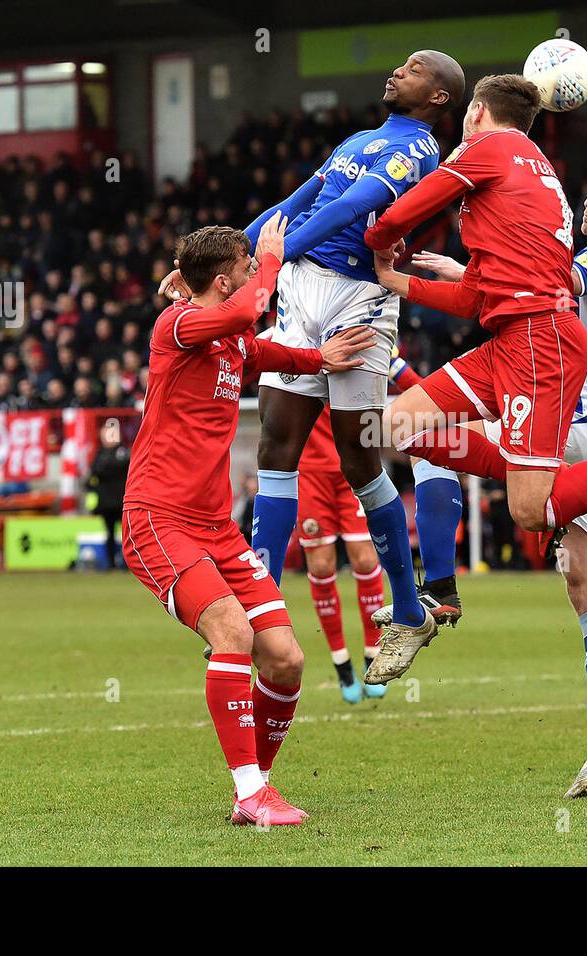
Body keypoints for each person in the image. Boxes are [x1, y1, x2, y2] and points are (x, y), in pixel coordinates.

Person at [365, 83, 587, 686]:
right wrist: (459, 278)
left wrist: (472, 266)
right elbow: (528, 278)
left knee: (540, 525)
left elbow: (548, 274)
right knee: (584, 581)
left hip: (573, 412)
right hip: (556, 391)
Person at [158, 52, 466, 669]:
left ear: (438, 98)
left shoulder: (421, 153)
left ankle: (409, 610)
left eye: (412, 70)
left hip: (358, 299)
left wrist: (261, 271)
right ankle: (258, 602)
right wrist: (221, 266)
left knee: (359, 459)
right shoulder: (358, 139)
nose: (396, 73)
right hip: (300, 291)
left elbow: (345, 212)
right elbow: (297, 201)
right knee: (276, 447)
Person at [121, 215, 373, 826]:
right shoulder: (177, 323)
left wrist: (324, 356)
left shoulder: (234, 342)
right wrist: (268, 259)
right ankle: (249, 791)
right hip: (158, 517)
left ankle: (256, 785)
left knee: (285, 659)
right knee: (232, 633)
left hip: (216, 527)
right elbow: (240, 316)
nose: (257, 275)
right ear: (225, 276)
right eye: (245, 267)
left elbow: (270, 350)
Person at [295, 408, 389, 703]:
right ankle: (342, 663)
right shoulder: (301, 362)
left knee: (364, 559)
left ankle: (373, 656)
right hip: (311, 472)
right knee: (321, 566)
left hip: (353, 461)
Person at [87, 422, 130, 570]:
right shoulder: (100, 454)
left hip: (122, 500)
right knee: (110, 534)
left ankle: (127, 564)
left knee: (127, 535)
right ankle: (111, 563)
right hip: (106, 502)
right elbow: (93, 474)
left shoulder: (123, 452)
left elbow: (109, 469)